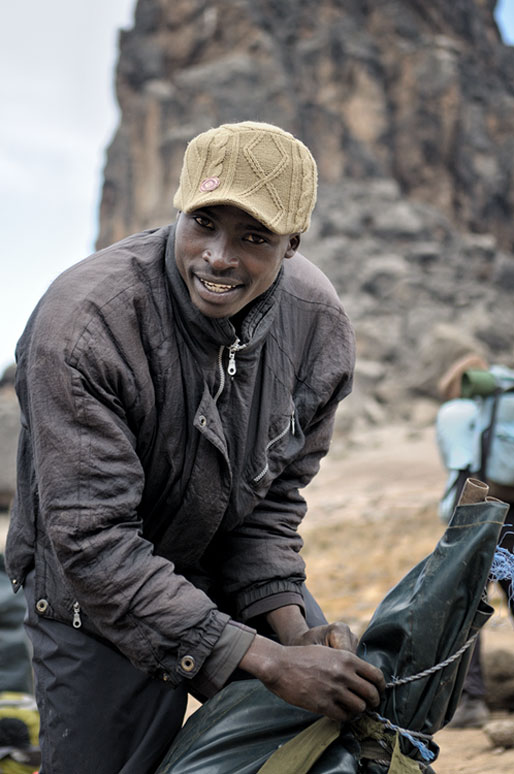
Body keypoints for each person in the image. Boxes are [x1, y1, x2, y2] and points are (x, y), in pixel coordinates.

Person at [5, 121, 384, 773]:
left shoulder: (317, 330)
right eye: (205, 222)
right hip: (89, 594)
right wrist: (266, 660)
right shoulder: (85, 325)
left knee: (326, 737)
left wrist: (296, 633)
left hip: (214, 562)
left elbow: (268, 507)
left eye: (254, 236)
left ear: (293, 243)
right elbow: (95, 542)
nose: (218, 255)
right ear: (179, 210)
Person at [436, 353, 514, 728]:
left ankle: (472, 701)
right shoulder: (503, 408)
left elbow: (457, 465)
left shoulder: (454, 414)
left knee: (467, 606)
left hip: (477, 514)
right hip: (512, 509)